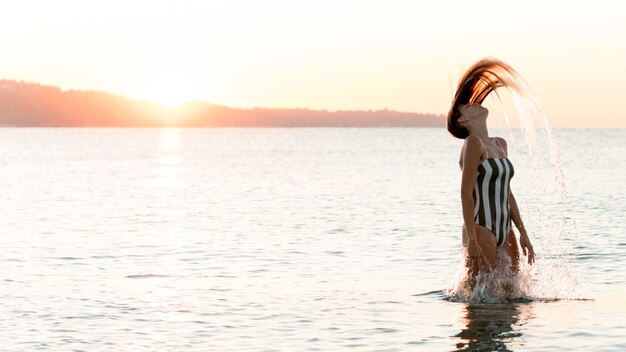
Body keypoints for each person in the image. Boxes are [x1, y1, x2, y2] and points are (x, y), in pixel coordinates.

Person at [447, 58, 536, 289]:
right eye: (468, 105)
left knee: (512, 297)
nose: (475, 104)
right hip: (481, 228)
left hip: (505, 230)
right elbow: (465, 194)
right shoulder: (473, 144)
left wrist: (523, 232)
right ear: (463, 119)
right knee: (478, 296)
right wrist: (472, 240)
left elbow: (506, 193)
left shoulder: (499, 143)